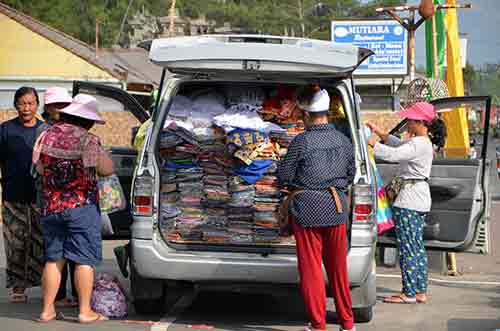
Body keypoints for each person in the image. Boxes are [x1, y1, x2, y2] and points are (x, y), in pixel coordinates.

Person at [277, 88, 356, 331]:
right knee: (338, 270)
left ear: (308, 116)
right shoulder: (344, 141)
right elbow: (351, 174)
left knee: (311, 270)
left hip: (308, 210)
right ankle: (347, 323)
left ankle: (318, 324)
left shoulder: (301, 141)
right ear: (327, 115)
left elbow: (285, 176)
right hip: (336, 208)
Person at [34, 94, 114, 323]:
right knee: (83, 259)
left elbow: (39, 168)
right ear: (87, 120)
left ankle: (47, 309)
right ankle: (85, 311)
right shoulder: (88, 140)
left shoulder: (45, 135)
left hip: (51, 206)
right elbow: (106, 169)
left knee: (53, 259)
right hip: (81, 207)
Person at [367, 102, 446, 304]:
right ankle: (419, 291)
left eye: (410, 120)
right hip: (418, 199)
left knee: (408, 247)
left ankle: (409, 293)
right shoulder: (421, 142)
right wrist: (381, 133)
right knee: (416, 247)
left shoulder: (418, 144)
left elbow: (393, 155)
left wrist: (369, 143)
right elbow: (399, 145)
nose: (407, 123)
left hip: (409, 201)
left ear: (420, 122)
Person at [0, 86, 48, 303]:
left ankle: (44, 285)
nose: (26, 108)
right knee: (15, 242)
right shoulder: (5, 130)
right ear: (15, 105)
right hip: (13, 195)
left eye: (30, 103)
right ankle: (18, 287)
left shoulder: (46, 131)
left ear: (37, 105)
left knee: (40, 241)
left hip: (40, 196)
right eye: (22, 103)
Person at [40, 87, 79, 308]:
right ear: (48, 108)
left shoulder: (66, 130)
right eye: (58, 105)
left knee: (66, 253)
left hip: (60, 201)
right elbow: (38, 169)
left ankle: (66, 296)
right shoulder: (44, 131)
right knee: (57, 253)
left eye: (65, 105)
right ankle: (58, 297)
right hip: (54, 200)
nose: (63, 109)